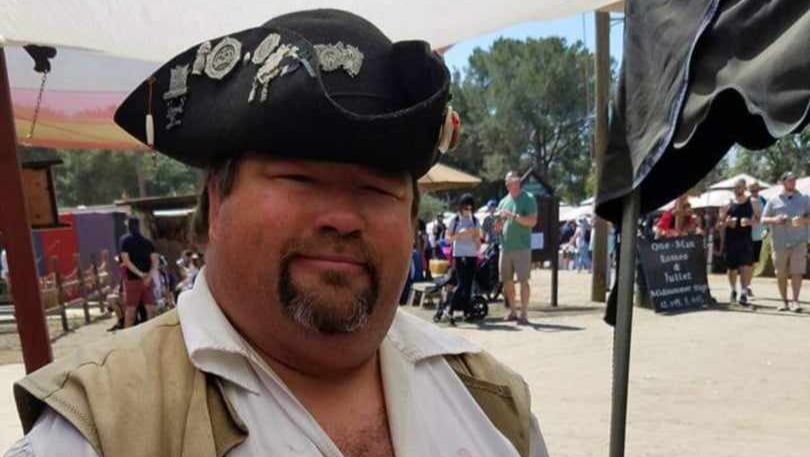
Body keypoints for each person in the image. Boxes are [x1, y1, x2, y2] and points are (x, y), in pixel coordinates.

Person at [7, 10, 547, 457]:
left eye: (377, 188)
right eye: (300, 179)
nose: (342, 217)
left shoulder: (491, 404)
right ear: (217, 201)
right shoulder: (101, 430)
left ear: (411, 219)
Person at [761, 171, 810, 312]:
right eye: (790, 180)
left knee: (797, 272)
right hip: (779, 242)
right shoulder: (773, 200)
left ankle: (795, 301)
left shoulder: (805, 199)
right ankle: (784, 302)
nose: (793, 182)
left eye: (794, 180)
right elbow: (763, 219)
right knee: (780, 273)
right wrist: (775, 220)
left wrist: (802, 220)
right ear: (783, 182)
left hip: (799, 241)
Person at [497, 171, 538, 325]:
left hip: (522, 247)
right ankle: (513, 311)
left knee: (523, 281)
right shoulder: (503, 201)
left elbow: (532, 221)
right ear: (507, 184)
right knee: (506, 281)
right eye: (511, 181)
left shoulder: (528, 198)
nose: (515, 183)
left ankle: (524, 314)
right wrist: (496, 225)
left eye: (516, 180)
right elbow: (499, 225)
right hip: (505, 247)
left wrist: (512, 216)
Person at [718, 178, 760, 306]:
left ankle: (744, 292)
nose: (737, 190)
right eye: (735, 187)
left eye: (739, 187)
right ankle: (733, 290)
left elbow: (759, 220)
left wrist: (749, 222)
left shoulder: (752, 202)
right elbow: (719, 224)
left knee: (745, 266)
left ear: (745, 188)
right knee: (732, 269)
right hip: (731, 240)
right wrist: (727, 223)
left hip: (745, 239)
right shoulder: (727, 203)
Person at [444, 193, 482, 325]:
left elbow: (478, 244)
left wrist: (475, 236)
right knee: (461, 284)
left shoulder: (475, 221)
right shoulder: (455, 220)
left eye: (471, 208)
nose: (468, 211)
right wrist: (458, 235)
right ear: (461, 207)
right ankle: (450, 310)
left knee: (468, 285)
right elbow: (447, 240)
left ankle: (466, 311)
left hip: (472, 255)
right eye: (466, 208)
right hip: (459, 255)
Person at [118, 217, 158, 328]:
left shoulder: (125, 241)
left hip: (132, 280)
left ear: (128, 226)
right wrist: (148, 276)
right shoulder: (148, 242)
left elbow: (126, 261)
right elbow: (155, 261)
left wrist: (140, 274)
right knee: (151, 310)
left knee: (131, 311)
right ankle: (150, 333)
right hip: (147, 281)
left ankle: (127, 335)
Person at [748, 182, 768, 296]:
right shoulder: (746, 201)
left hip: (760, 236)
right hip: (747, 236)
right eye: (752, 190)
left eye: (755, 189)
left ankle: (747, 283)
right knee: (748, 262)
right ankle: (746, 285)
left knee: (755, 262)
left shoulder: (764, 201)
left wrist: (767, 229)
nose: (754, 192)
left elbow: (766, 216)